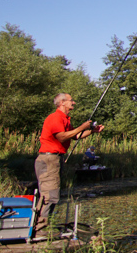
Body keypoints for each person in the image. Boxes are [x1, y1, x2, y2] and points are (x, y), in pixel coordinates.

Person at [35, 93, 104, 229]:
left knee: (52, 193)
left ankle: (42, 225)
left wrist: (91, 131)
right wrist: (82, 127)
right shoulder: (55, 118)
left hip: (55, 159)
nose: (74, 102)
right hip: (49, 159)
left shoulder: (65, 119)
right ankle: (39, 228)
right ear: (62, 102)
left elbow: (76, 135)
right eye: (71, 100)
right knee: (49, 195)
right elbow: (61, 137)